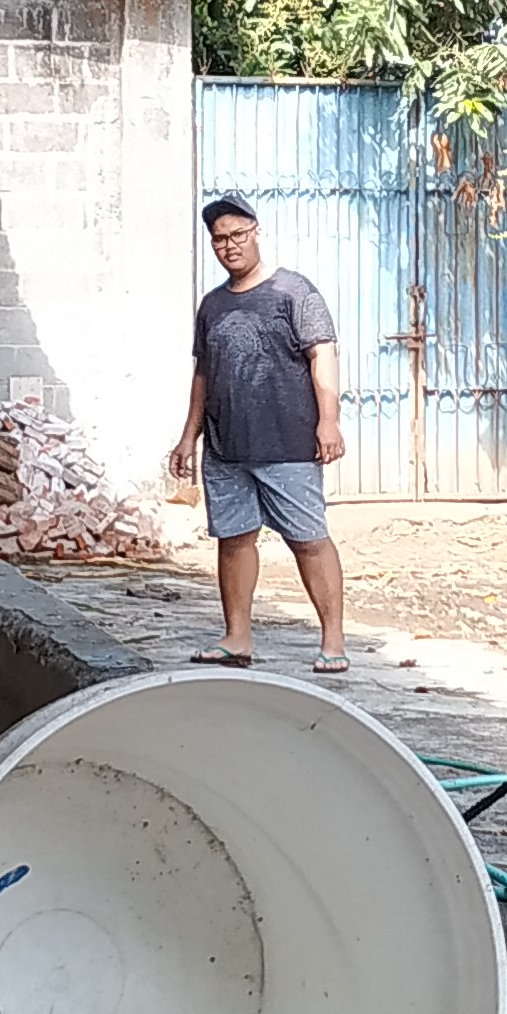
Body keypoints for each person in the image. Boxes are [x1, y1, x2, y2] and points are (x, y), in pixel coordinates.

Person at [168, 194, 352, 673]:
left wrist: (327, 420)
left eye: (237, 235)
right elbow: (203, 374)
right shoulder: (212, 305)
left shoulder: (295, 292)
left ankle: (333, 640)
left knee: (308, 539)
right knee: (233, 540)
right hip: (226, 448)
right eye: (219, 239)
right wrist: (189, 436)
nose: (229, 246)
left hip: (288, 444)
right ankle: (237, 638)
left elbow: (323, 356)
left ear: (256, 232)